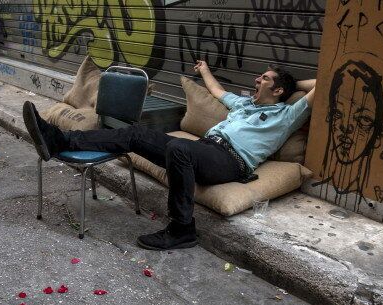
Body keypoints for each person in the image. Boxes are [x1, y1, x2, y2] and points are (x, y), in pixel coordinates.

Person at [23, 60, 316, 251]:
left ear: (277, 90)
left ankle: (182, 229)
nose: (256, 80)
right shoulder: (242, 105)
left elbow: (322, 83)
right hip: (203, 150)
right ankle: (60, 139)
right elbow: (215, 89)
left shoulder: (288, 115)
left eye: (264, 79)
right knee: (134, 134)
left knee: (178, 147)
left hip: (230, 162)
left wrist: (292, 85)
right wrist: (202, 70)